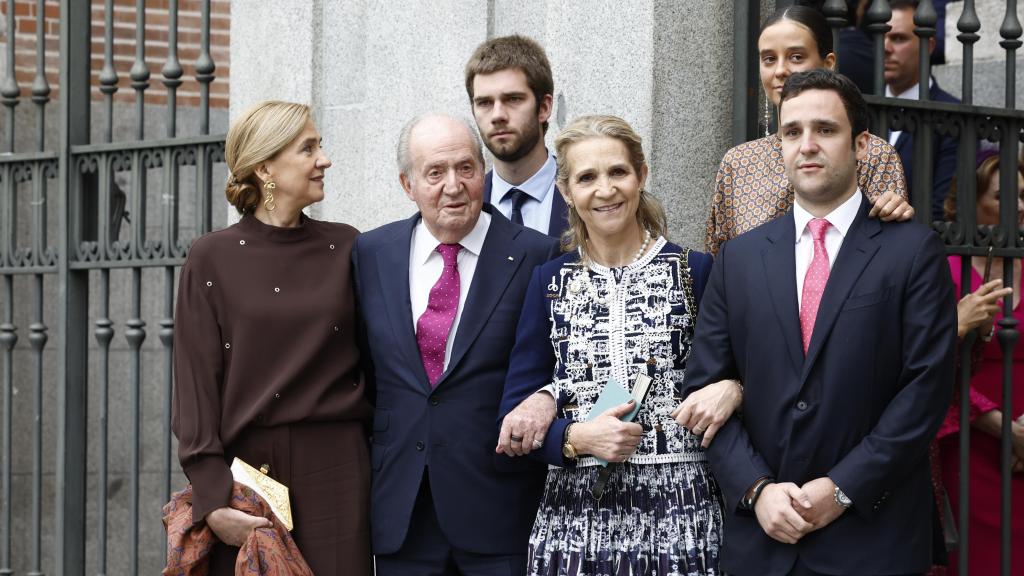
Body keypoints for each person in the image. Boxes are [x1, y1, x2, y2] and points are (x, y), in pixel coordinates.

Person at [686, 69, 957, 576]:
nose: (807, 145)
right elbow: (703, 386)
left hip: (873, 540)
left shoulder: (912, 250)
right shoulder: (738, 259)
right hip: (763, 542)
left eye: (825, 130)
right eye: (792, 132)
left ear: (861, 144)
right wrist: (756, 489)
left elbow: (927, 389)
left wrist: (842, 489)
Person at [499, 114, 743, 575]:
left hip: (680, 511)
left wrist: (735, 388)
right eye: (587, 177)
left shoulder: (695, 271)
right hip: (576, 520)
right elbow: (515, 412)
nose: (605, 189)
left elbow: (741, 372)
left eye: (618, 172)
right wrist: (573, 439)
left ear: (641, 175)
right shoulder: (548, 282)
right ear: (566, 190)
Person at [171, 100, 373, 574]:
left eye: (319, 146)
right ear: (265, 168)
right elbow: (195, 385)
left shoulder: (347, 246)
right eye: (308, 148)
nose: (324, 160)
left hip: (339, 472)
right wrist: (212, 498)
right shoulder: (211, 258)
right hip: (247, 482)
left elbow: (377, 362)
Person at [353, 113, 559, 575]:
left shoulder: (536, 254)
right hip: (402, 511)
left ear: (483, 172)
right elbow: (365, 369)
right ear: (407, 185)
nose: (454, 185)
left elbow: (559, 361)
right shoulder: (372, 253)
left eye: (466, 168)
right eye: (435, 173)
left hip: (498, 506)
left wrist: (546, 398)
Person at [706, 4, 912, 257]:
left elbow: (889, 252)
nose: (780, 70)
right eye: (769, 59)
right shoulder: (737, 163)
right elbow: (720, 261)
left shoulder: (873, 155)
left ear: (828, 63)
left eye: (796, 57)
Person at [937, 149, 1024, 576]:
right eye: (1005, 196)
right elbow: (930, 365)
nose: (1020, 206)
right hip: (969, 445)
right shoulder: (945, 271)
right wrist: (1005, 429)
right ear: (970, 203)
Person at [465, 35, 569, 238]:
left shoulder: (587, 194)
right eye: (484, 103)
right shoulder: (465, 204)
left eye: (513, 99)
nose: (497, 115)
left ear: (544, 107)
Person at [884, 0, 960, 222]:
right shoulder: (859, 109)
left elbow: (943, 209)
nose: (885, 47)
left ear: (928, 46)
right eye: (880, 37)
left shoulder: (952, 116)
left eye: (898, 38)